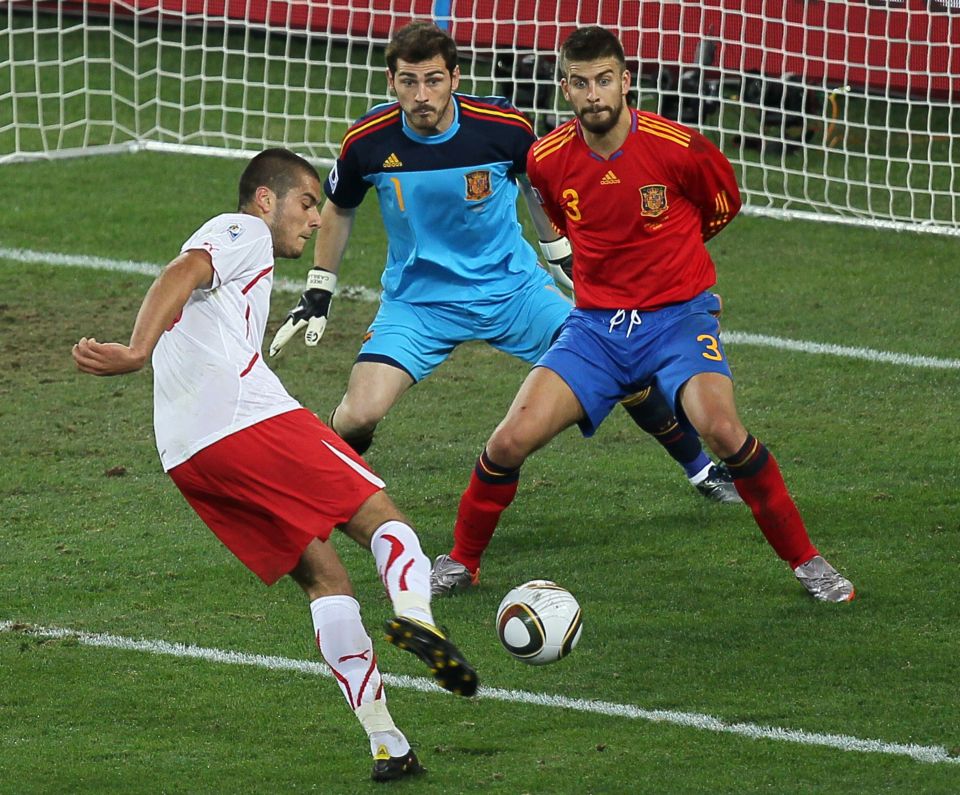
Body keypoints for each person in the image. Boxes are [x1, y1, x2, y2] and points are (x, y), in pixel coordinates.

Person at [268, 21, 741, 580]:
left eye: (434, 81)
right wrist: (320, 286)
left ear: (455, 79)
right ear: (390, 82)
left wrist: (557, 251)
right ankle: (319, 493)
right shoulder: (367, 140)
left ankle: (700, 469)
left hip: (513, 291)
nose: (422, 96)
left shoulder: (501, 127)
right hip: (419, 304)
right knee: (360, 412)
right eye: (408, 82)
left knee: (622, 360)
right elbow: (340, 206)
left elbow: (536, 184)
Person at [71, 148, 478, 783]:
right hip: (246, 421)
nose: (315, 220)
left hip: (187, 455)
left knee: (325, 582)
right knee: (381, 518)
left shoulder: (244, 257)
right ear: (267, 198)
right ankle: (418, 617)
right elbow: (184, 270)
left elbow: (201, 292)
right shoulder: (243, 230)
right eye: (307, 203)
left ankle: (386, 742)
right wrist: (134, 350)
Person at [435, 27, 855, 603]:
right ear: (565, 89)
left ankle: (809, 562)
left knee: (722, 428)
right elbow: (564, 219)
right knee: (508, 441)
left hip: (677, 320)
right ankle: (461, 561)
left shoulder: (678, 146)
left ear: (625, 81)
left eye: (604, 80)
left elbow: (723, 204)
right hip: (596, 331)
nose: (594, 95)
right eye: (580, 83)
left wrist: (684, 268)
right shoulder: (548, 160)